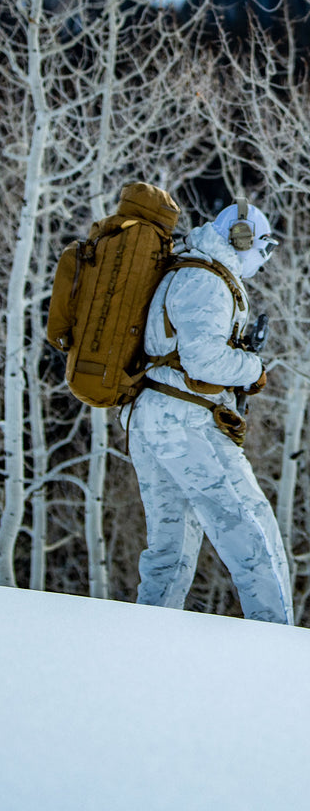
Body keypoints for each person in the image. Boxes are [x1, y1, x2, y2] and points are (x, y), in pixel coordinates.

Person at [127, 199, 293, 624]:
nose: (264, 256)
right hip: (186, 423)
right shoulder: (206, 281)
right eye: (263, 246)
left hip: (156, 419)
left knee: (171, 545)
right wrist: (252, 368)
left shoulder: (188, 270)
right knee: (247, 527)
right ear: (241, 239)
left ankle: (150, 634)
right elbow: (203, 361)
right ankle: (278, 639)